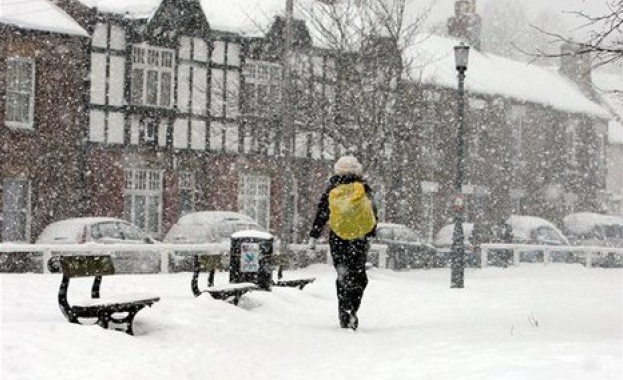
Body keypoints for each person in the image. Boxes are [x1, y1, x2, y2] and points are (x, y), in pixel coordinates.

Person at [309, 156, 377, 330]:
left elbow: (322, 213)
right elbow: (373, 213)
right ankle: (353, 307)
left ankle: (344, 311)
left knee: (343, 275)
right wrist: (369, 233)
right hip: (359, 239)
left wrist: (314, 235)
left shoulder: (332, 189)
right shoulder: (364, 189)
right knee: (359, 275)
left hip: (338, 238)